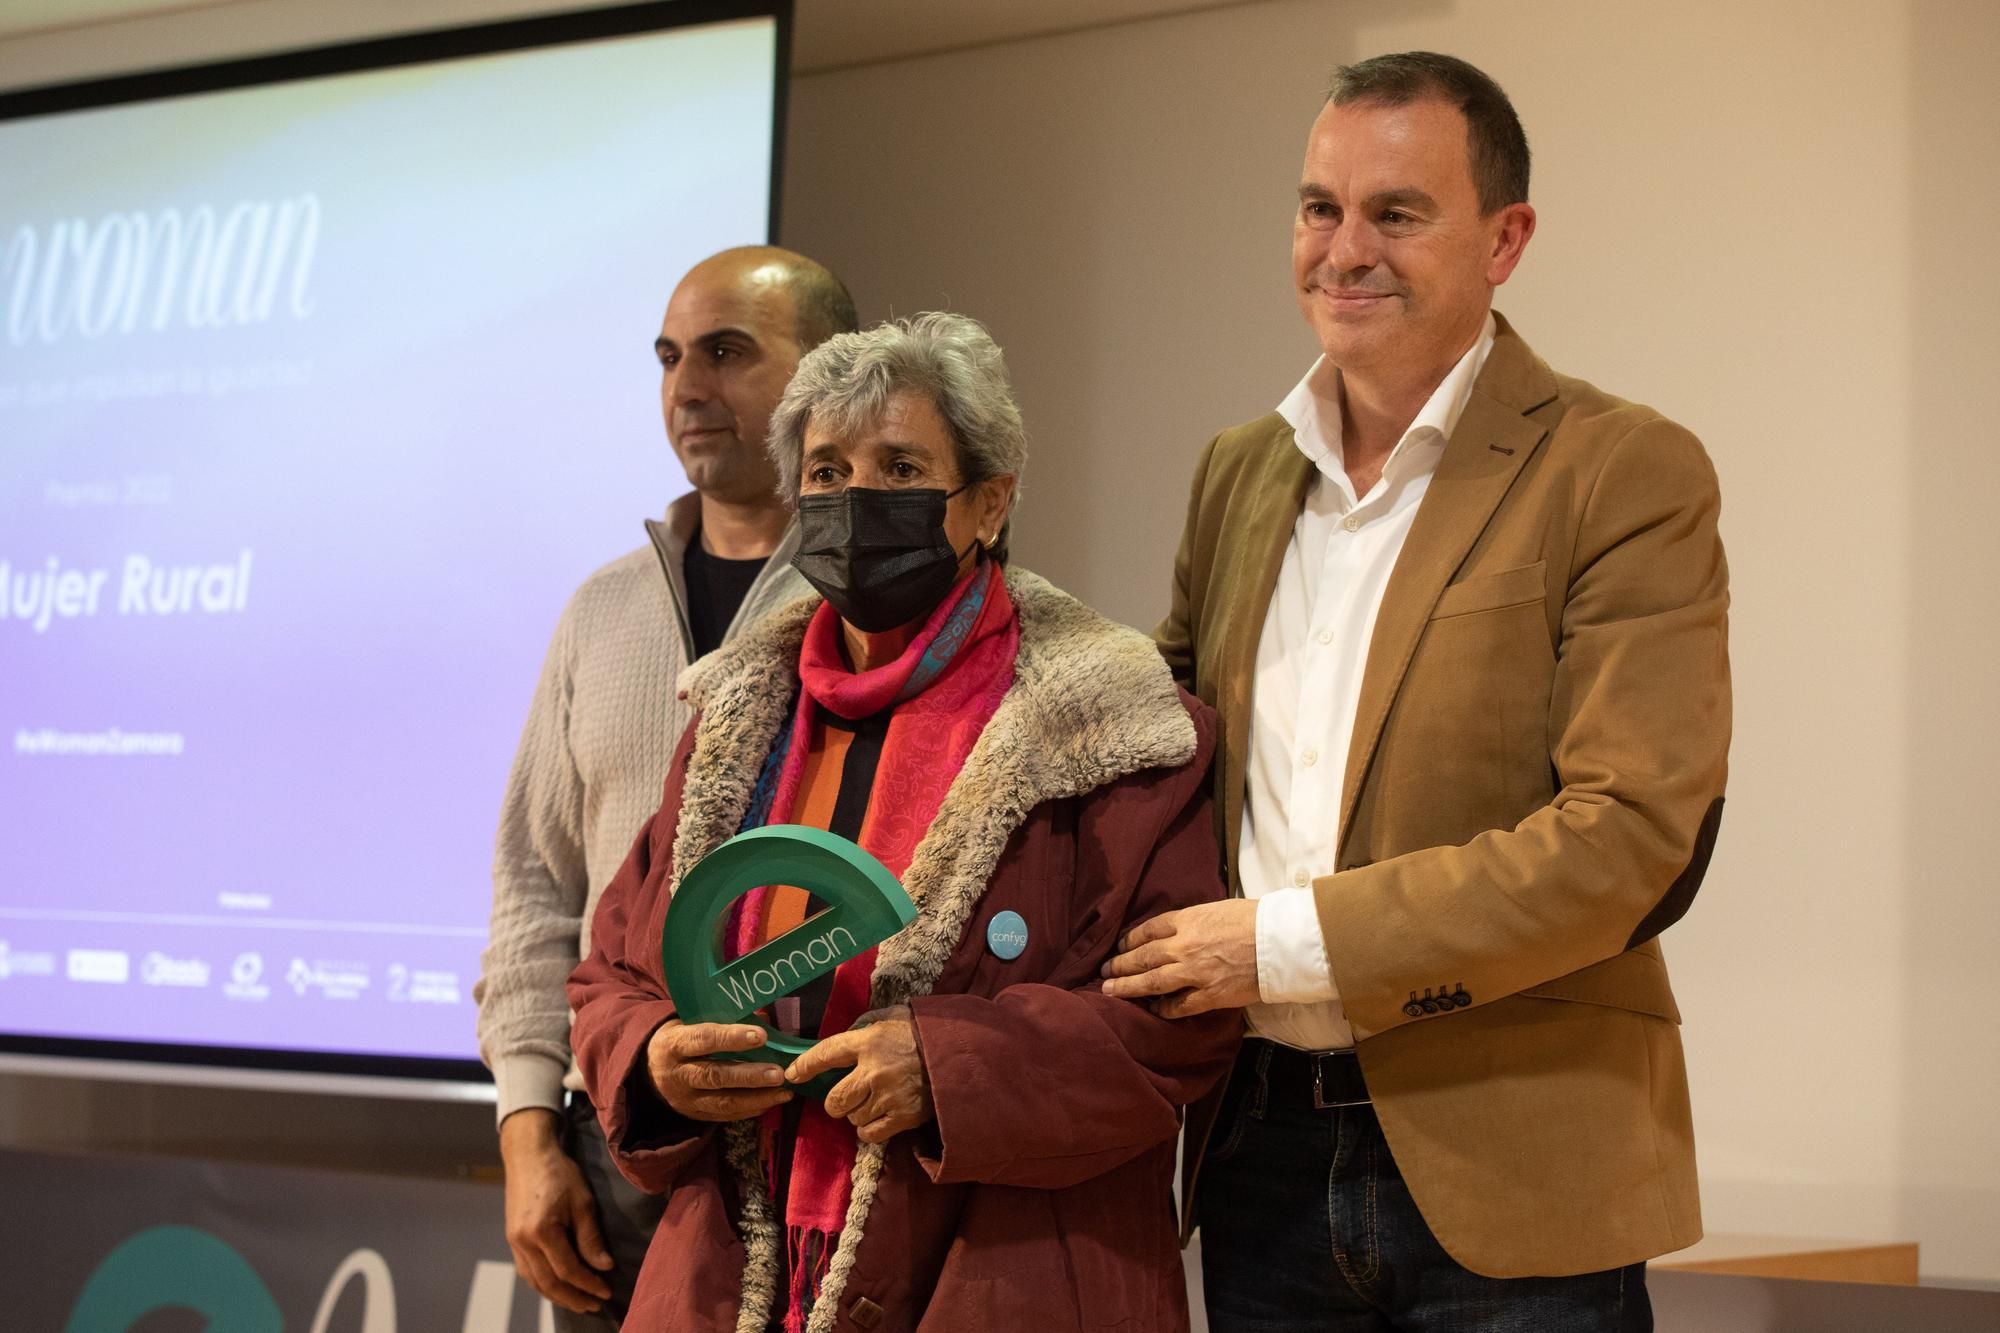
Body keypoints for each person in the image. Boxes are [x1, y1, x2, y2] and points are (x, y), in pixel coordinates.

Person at [1103, 51, 1730, 1331]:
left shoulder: (1622, 470)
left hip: (1517, 1166)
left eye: (1395, 212)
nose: (1344, 250)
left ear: (1505, 239)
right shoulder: (1238, 472)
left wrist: (1272, 941)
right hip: (1256, 1151)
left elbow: (1626, 840)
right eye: (1318, 208)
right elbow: (1157, 739)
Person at [566, 313, 1241, 1333]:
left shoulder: (1113, 724)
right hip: (732, 1280)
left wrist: (949, 1067)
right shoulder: (729, 721)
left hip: (996, 1282)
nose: (854, 500)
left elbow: (1173, 1021)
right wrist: (653, 1055)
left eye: (898, 465)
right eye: (827, 471)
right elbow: (610, 971)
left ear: (988, 500)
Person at [475, 246, 858, 1327]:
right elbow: (532, 889)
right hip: (620, 1140)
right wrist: (526, 1134)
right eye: (669, 357)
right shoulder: (601, 611)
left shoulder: (886, 605)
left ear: (827, 375)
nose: (687, 390)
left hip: (819, 1137)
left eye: (728, 353)